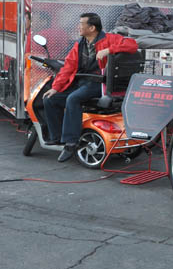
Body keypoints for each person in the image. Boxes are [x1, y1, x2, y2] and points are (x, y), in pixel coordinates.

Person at [43, 13, 138, 162]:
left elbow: (133, 45)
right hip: (82, 82)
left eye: (81, 24)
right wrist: (55, 87)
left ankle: (71, 143)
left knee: (73, 99)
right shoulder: (79, 44)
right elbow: (68, 67)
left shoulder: (109, 39)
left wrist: (109, 50)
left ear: (92, 28)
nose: (78, 27)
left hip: (99, 84)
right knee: (50, 98)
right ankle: (57, 137)